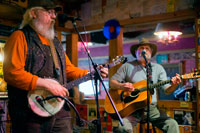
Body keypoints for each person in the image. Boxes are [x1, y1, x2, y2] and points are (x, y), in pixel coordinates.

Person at [3, 0, 108, 133]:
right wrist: (46, 84)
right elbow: (12, 73)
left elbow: (68, 70)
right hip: (29, 113)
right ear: (33, 13)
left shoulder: (54, 42)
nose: (54, 16)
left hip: (58, 110)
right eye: (49, 12)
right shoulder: (20, 37)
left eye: (54, 13)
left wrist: (91, 73)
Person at [110, 38, 181, 133]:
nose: (144, 50)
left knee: (172, 125)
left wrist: (174, 85)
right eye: (141, 48)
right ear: (136, 51)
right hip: (132, 109)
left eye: (147, 48)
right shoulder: (127, 66)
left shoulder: (158, 68)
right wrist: (121, 86)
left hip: (152, 109)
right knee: (122, 128)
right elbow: (112, 82)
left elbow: (166, 90)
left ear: (151, 52)